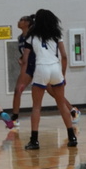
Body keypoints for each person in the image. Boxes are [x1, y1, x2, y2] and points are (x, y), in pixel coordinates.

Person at [24, 9, 78, 150]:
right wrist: (63, 75)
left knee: (36, 107)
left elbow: (25, 59)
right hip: (55, 68)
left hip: (41, 68)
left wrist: (24, 71)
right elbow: (64, 56)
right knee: (61, 104)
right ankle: (72, 136)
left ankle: (34, 141)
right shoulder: (56, 34)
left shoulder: (31, 35)